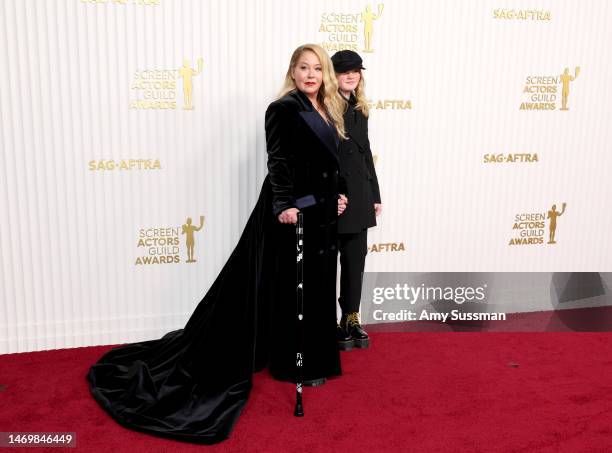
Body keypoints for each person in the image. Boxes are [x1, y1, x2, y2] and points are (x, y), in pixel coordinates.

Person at [86, 44, 347, 445]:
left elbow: (332, 163)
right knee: (291, 284)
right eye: (303, 67)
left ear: (325, 73)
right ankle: (293, 362)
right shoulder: (282, 109)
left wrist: (341, 193)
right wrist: (283, 204)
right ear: (292, 71)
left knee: (317, 282)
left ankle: (317, 356)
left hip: (323, 211)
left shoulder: (330, 107)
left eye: (317, 68)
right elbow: (277, 161)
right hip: (293, 210)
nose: (310, 74)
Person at [331, 50, 382, 351]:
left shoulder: (360, 108)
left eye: (355, 71)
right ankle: (323, 323)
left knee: (354, 264)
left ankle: (350, 319)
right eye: (343, 71)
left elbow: (366, 153)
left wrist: (374, 194)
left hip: (360, 196)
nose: (351, 76)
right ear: (332, 75)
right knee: (325, 267)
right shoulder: (324, 107)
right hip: (335, 198)